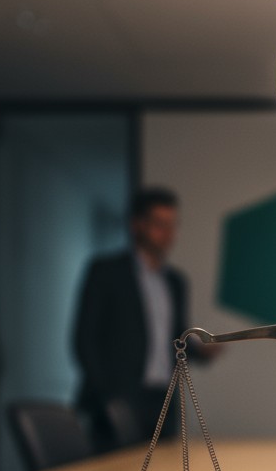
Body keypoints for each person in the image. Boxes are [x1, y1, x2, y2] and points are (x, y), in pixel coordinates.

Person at [72, 186, 209, 449]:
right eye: (160, 224)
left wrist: (202, 351)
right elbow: (84, 339)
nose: (168, 234)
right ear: (137, 225)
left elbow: (174, 338)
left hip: (163, 399)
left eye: (173, 225)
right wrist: (107, 396)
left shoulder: (175, 282)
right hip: (117, 399)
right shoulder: (106, 272)